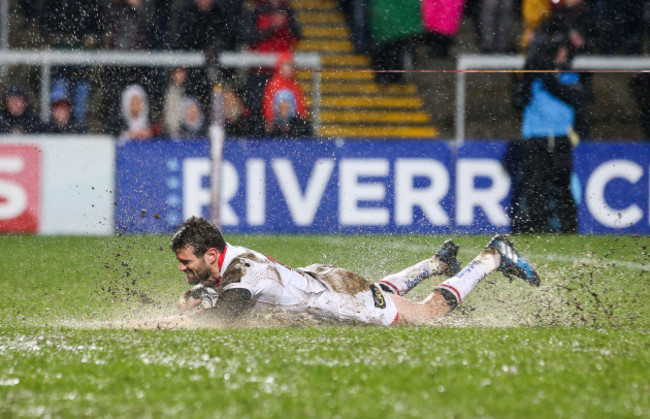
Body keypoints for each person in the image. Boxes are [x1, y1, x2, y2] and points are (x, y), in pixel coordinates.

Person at [170, 217, 540, 326]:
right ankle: (437, 263)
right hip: (323, 280)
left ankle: (491, 256)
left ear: (213, 254)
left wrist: (189, 315)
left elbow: (229, 313)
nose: (185, 271)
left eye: (187, 263)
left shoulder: (242, 271)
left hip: (338, 298)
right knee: (376, 291)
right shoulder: (234, 259)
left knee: (427, 315)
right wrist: (204, 294)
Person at [512, 33, 586, 233]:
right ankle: (538, 228)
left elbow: (574, 97)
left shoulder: (570, 77)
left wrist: (549, 79)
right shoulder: (532, 80)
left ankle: (570, 228)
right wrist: (530, 75)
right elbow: (518, 102)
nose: (562, 55)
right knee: (534, 185)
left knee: (562, 184)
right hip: (535, 138)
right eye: (558, 51)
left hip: (561, 137)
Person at [261, 52, 310, 136]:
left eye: (290, 66)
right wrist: (269, 119)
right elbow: (268, 103)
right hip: (276, 121)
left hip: (292, 122)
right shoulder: (274, 83)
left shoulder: (295, 84)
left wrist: (302, 118)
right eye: (286, 66)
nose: (289, 69)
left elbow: (300, 105)